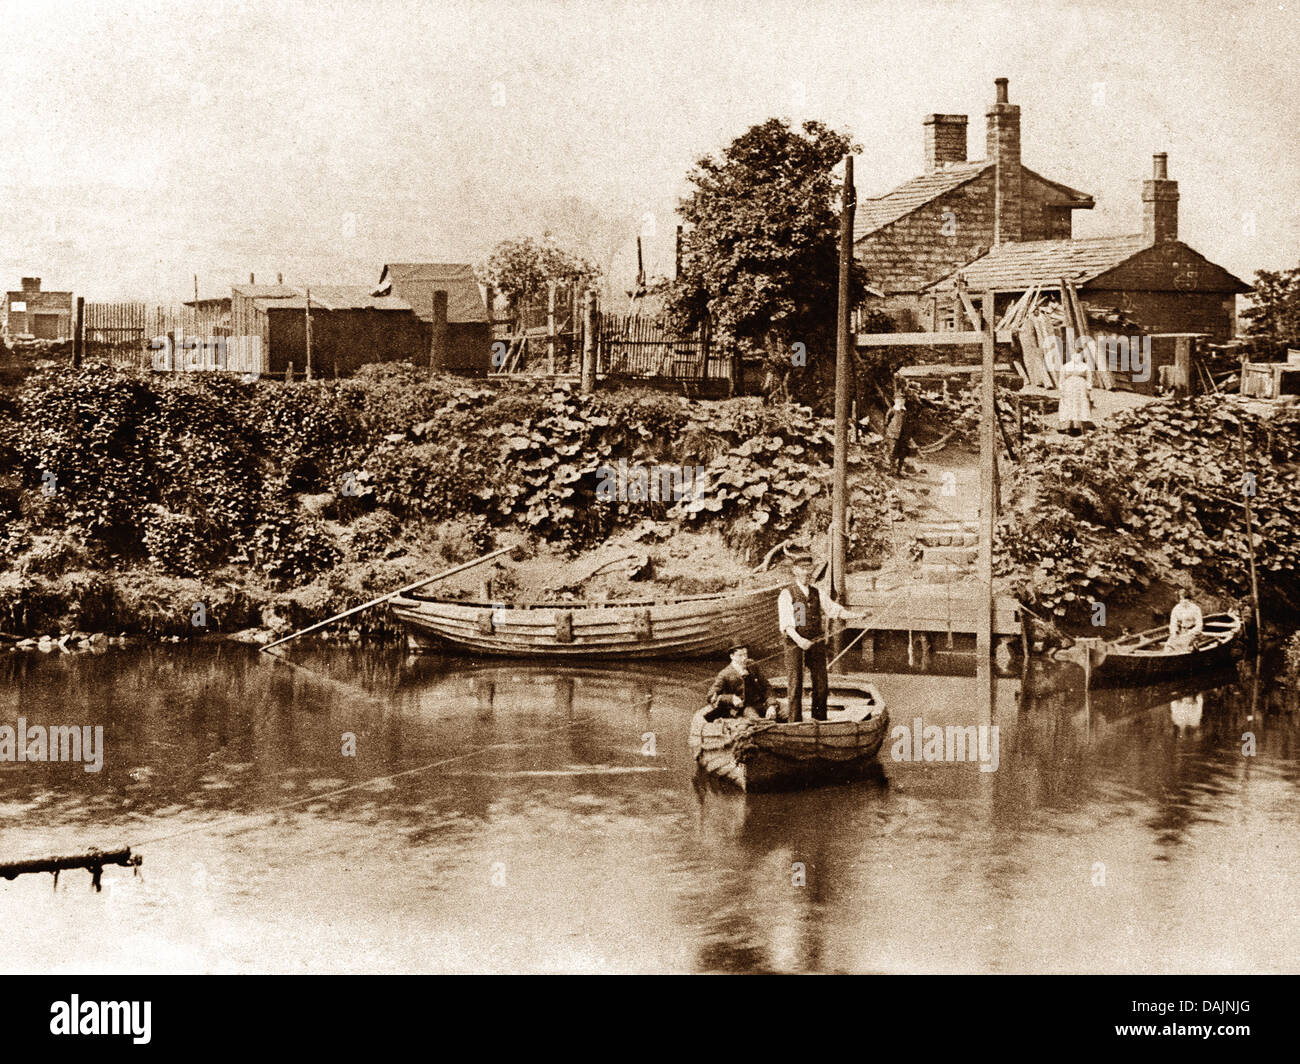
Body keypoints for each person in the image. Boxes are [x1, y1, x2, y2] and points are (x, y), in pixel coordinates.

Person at [778, 558, 858, 722]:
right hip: (795, 643)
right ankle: (795, 722)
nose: (807, 573)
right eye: (803, 569)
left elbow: (834, 610)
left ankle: (820, 720)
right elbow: (786, 624)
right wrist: (800, 641)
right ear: (795, 571)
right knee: (795, 684)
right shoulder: (787, 594)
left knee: (821, 684)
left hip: (815, 642)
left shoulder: (817, 592)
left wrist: (855, 615)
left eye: (809, 569)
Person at [703, 644, 777, 722]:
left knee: (788, 712)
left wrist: (771, 705)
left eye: (745, 654)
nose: (744, 658)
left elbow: (766, 686)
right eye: (740, 655)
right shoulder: (725, 674)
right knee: (757, 722)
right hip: (745, 708)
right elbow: (710, 696)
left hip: (762, 703)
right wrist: (731, 698)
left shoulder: (752, 665)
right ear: (732, 656)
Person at [1058, 341, 1093, 435]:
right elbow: (1061, 379)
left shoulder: (1085, 367)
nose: (1076, 356)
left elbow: (1089, 378)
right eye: (1074, 354)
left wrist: (1088, 388)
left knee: (1079, 404)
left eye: (1078, 355)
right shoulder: (1065, 366)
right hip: (1068, 387)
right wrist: (1061, 388)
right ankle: (1067, 426)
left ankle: (1078, 427)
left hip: (1081, 388)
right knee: (1068, 404)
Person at [884, 393, 910, 476]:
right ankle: (891, 470)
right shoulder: (892, 410)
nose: (900, 402)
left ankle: (899, 471)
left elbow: (908, 423)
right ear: (895, 401)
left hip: (903, 436)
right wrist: (890, 432)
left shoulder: (905, 412)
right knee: (892, 452)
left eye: (902, 400)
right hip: (893, 435)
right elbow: (886, 422)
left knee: (902, 453)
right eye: (898, 400)